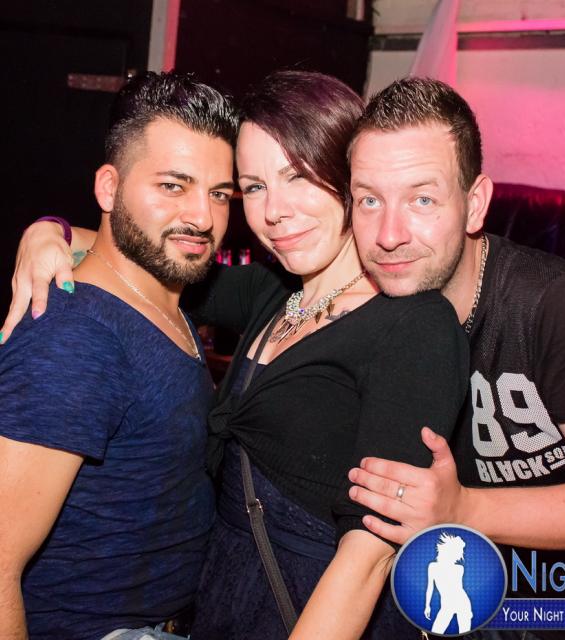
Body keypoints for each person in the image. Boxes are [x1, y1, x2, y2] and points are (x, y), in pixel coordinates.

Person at [1, 71, 470, 639]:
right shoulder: (275, 291)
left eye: (297, 177)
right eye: (252, 187)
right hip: (216, 611)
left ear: (348, 177)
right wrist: (46, 233)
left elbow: (369, 554)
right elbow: (151, 253)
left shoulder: (416, 325)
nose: (275, 211)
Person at [345, 78, 565, 639]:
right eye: (369, 200)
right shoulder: (373, 311)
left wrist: (464, 510)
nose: (388, 235)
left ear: (474, 204)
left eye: (422, 199)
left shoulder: (561, 310)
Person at [0, 71, 237, 639]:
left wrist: (48, 229)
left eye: (219, 194)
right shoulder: (75, 337)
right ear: (109, 188)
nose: (203, 217)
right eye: (173, 186)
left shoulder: (162, 295)